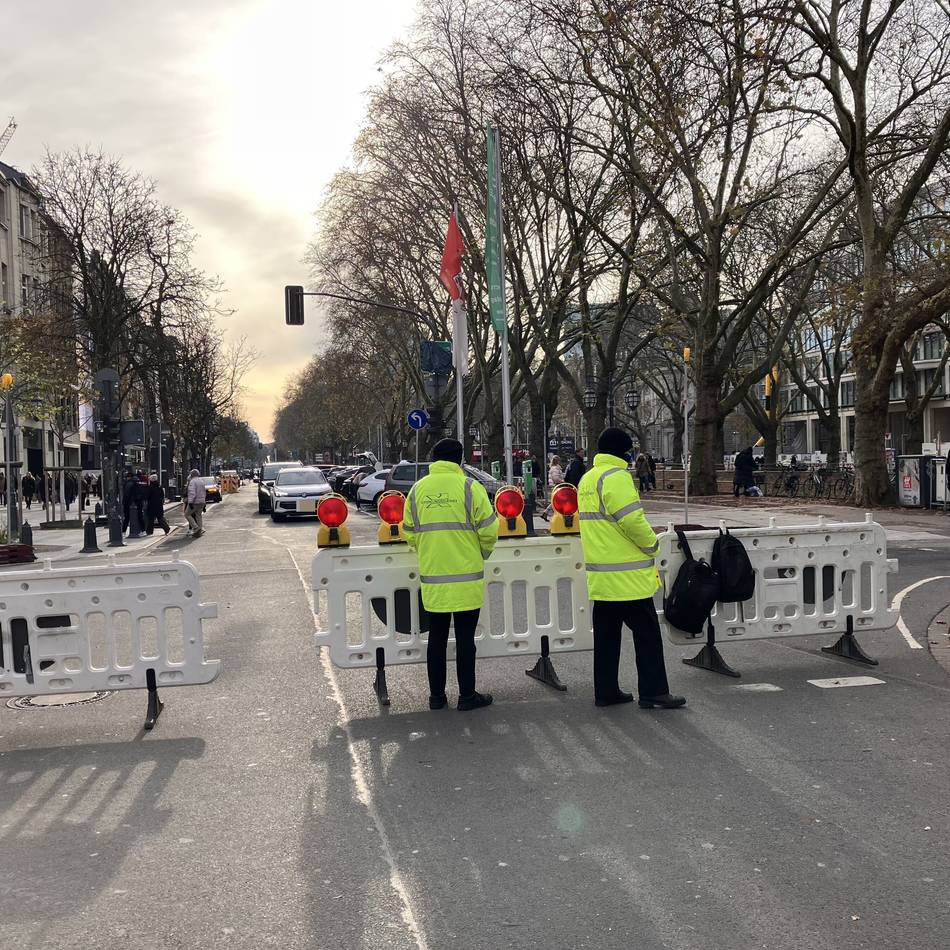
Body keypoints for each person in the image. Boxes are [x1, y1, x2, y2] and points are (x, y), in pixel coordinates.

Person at [578, 427, 686, 710]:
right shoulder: (617, 478)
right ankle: (654, 692)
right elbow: (632, 521)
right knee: (647, 636)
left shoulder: (588, 478)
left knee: (606, 637)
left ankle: (606, 691)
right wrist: (653, 544)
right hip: (627, 576)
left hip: (601, 576)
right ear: (623, 451)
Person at [402, 438, 499, 711]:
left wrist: (427, 551)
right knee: (466, 639)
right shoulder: (470, 487)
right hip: (467, 577)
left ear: (434, 458)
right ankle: (467, 696)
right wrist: (481, 552)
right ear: (460, 460)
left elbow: (409, 530)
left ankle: (436, 697)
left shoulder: (418, 490)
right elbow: (490, 530)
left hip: (434, 578)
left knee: (437, 638)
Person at [184, 469, 206, 537]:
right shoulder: (201, 481)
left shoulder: (192, 482)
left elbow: (192, 493)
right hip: (202, 501)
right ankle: (200, 529)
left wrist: (190, 502)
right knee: (198, 515)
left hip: (195, 502)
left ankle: (196, 527)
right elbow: (204, 492)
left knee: (187, 514)